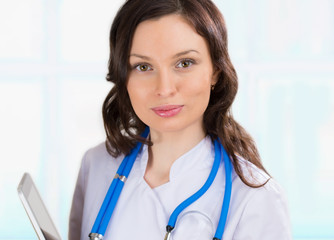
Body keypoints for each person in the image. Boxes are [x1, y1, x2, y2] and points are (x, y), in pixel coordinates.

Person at [68, 0, 292, 239]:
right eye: (143, 67)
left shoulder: (256, 199)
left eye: (185, 63)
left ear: (215, 70)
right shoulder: (97, 165)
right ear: (124, 76)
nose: (164, 89)